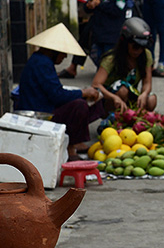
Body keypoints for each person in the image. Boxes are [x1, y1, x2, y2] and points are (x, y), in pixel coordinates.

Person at [16, 24, 104, 157]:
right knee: (79, 106)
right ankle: (71, 148)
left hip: (44, 106)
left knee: (90, 104)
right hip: (40, 112)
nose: (64, 57)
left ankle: (76, 142)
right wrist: (83, 92)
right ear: (53, 51)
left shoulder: (40, 60)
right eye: (63, 53)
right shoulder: (42, 63)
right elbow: (57, 95)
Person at [91, 17, 158, 113]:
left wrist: (144, 94)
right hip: (109, 100)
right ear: (125, 42)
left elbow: (147, 83)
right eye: (135, 46)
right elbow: (96, 84)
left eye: (142, 47)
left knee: (151, 99)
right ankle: (114, 117)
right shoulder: (111, 59)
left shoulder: (146, 55)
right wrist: (114, 97)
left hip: (129, 96)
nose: (138, 51)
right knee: (122, 90)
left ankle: (133, 114)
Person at [86, 0, 129, 65]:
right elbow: (88, 7)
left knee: (109, 59)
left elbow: (118, 10)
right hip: (98, 32)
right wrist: (89, 5)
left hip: (112, 34)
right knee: (97, 57)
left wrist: (100, 4)